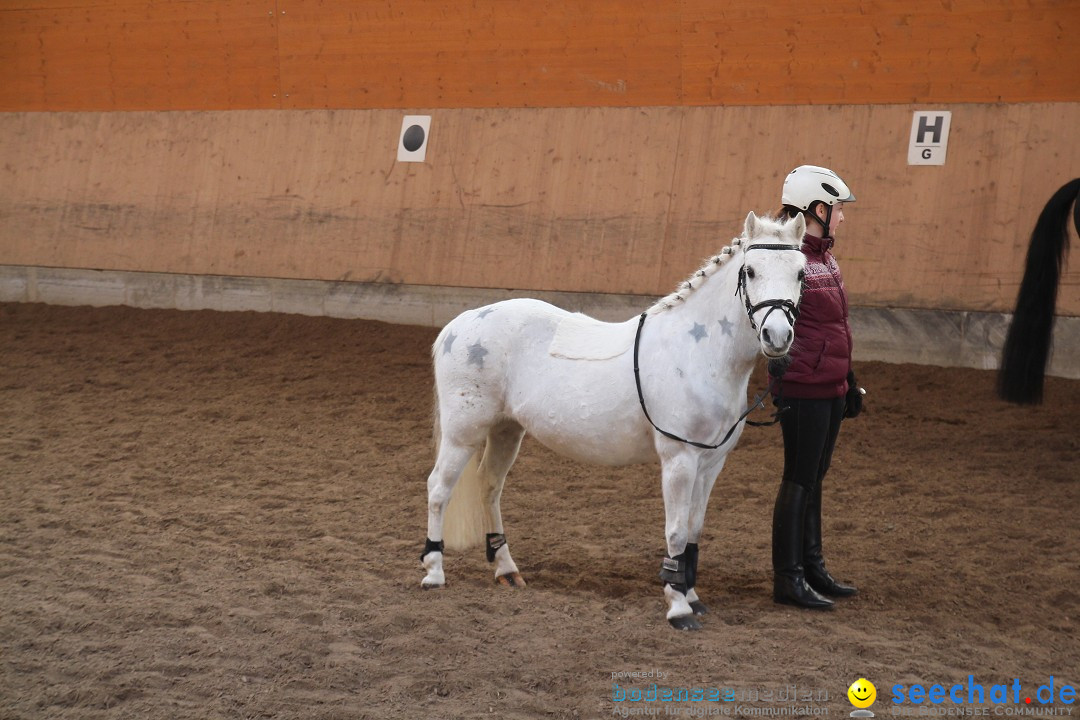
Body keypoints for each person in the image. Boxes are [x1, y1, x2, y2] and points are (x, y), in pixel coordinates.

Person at [768, 165, 863, 609]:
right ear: (818, 209)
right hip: (803, 386)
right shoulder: (789, 260)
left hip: (830, 385)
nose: (842, 218)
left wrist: (848, 380)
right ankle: (788, 578)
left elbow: (836, 324)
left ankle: (812, 567)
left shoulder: (825, 257)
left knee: (815, 478)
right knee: (799, 479)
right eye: (838, 209)